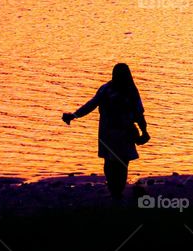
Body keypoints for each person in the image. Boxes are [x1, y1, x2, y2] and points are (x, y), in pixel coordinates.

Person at [63, 63, 149, 201]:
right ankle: (116, 190)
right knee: (117, 163)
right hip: (112, 133)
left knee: (115, 162)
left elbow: (138, 113)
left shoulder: (118, 90)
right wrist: (75, 115)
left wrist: (144, 131)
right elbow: (138, 113)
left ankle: (116, 190)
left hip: (118, 133)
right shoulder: (115, 90)